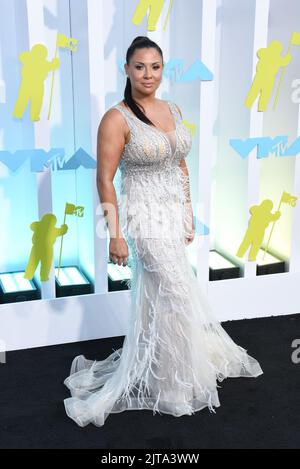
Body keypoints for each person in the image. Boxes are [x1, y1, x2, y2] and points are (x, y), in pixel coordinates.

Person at [63, 36, 263, 427]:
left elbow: (180, 164)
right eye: (140, 66)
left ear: (162, 68)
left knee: (162, 294)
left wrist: (188, 211)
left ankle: (159, 367)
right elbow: (105, 179)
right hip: (142, 216)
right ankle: (171, 385)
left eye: (155, 66)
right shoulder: (116, 118)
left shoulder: (172, 108)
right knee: (174, 292)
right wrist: (115, 233)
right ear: (126, 70)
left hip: (172, 214)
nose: (148, 74)